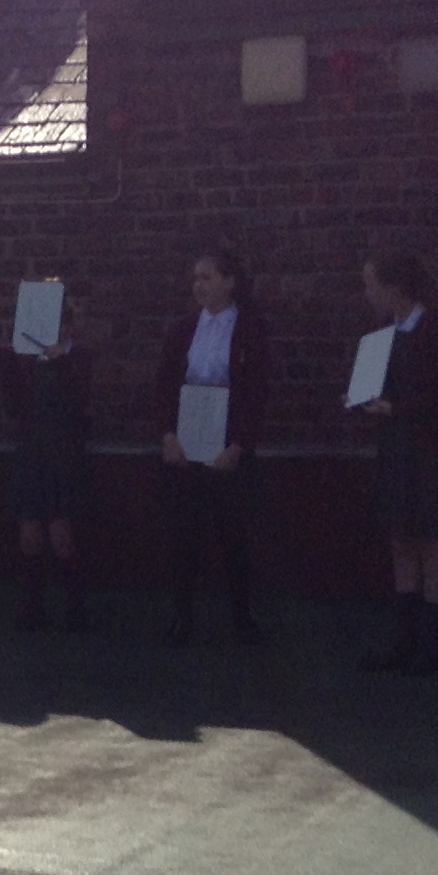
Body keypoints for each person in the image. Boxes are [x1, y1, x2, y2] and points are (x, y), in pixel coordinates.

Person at [353, 251, 438, 674]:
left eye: (372, 284)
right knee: (400, 540)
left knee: (430, 542)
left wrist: (397, 408)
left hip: (430, 451)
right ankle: (405, 642)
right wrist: (363, 398)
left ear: (396, 287)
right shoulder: (384, 331)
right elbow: (374, 386)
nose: (367, 292)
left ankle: (431, 647)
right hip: (396, 449)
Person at [155, 250, 271, 645]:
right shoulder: (183, 329)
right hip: (186, 442)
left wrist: (238, 446)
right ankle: (182, 616)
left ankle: (242, 615)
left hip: (228, 445)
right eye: (196, 278)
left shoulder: (250, 329)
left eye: (207, 277)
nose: (198, 285)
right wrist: (167, 435)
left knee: (234, 534)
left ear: (230, 282)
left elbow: (256, 393)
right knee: (183, 534)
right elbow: (164, 385)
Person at [0, 288, 93, 630]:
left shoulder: (78, 357)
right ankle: (32, 604)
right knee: (30, 532)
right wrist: (10, 358)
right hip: (31, 449)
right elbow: (13, 406)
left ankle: (75, 605)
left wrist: (61, 361)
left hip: (63, 452)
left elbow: (80, 401)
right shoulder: (21, 359)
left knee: (61, 533)